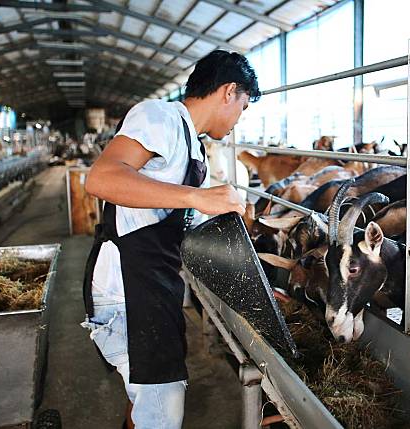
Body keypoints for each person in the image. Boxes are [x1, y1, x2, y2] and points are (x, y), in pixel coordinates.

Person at [81, 50, 260, 429]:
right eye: (243, 106)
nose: (239, 119)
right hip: (128, 288)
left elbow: (178, 223)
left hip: (154, 284)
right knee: (163, 411)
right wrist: (197, 197)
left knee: (145, 399)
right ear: (228, 92)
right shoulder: (159, 116)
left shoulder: (192, 144)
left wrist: (250, 277)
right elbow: (101, 178)